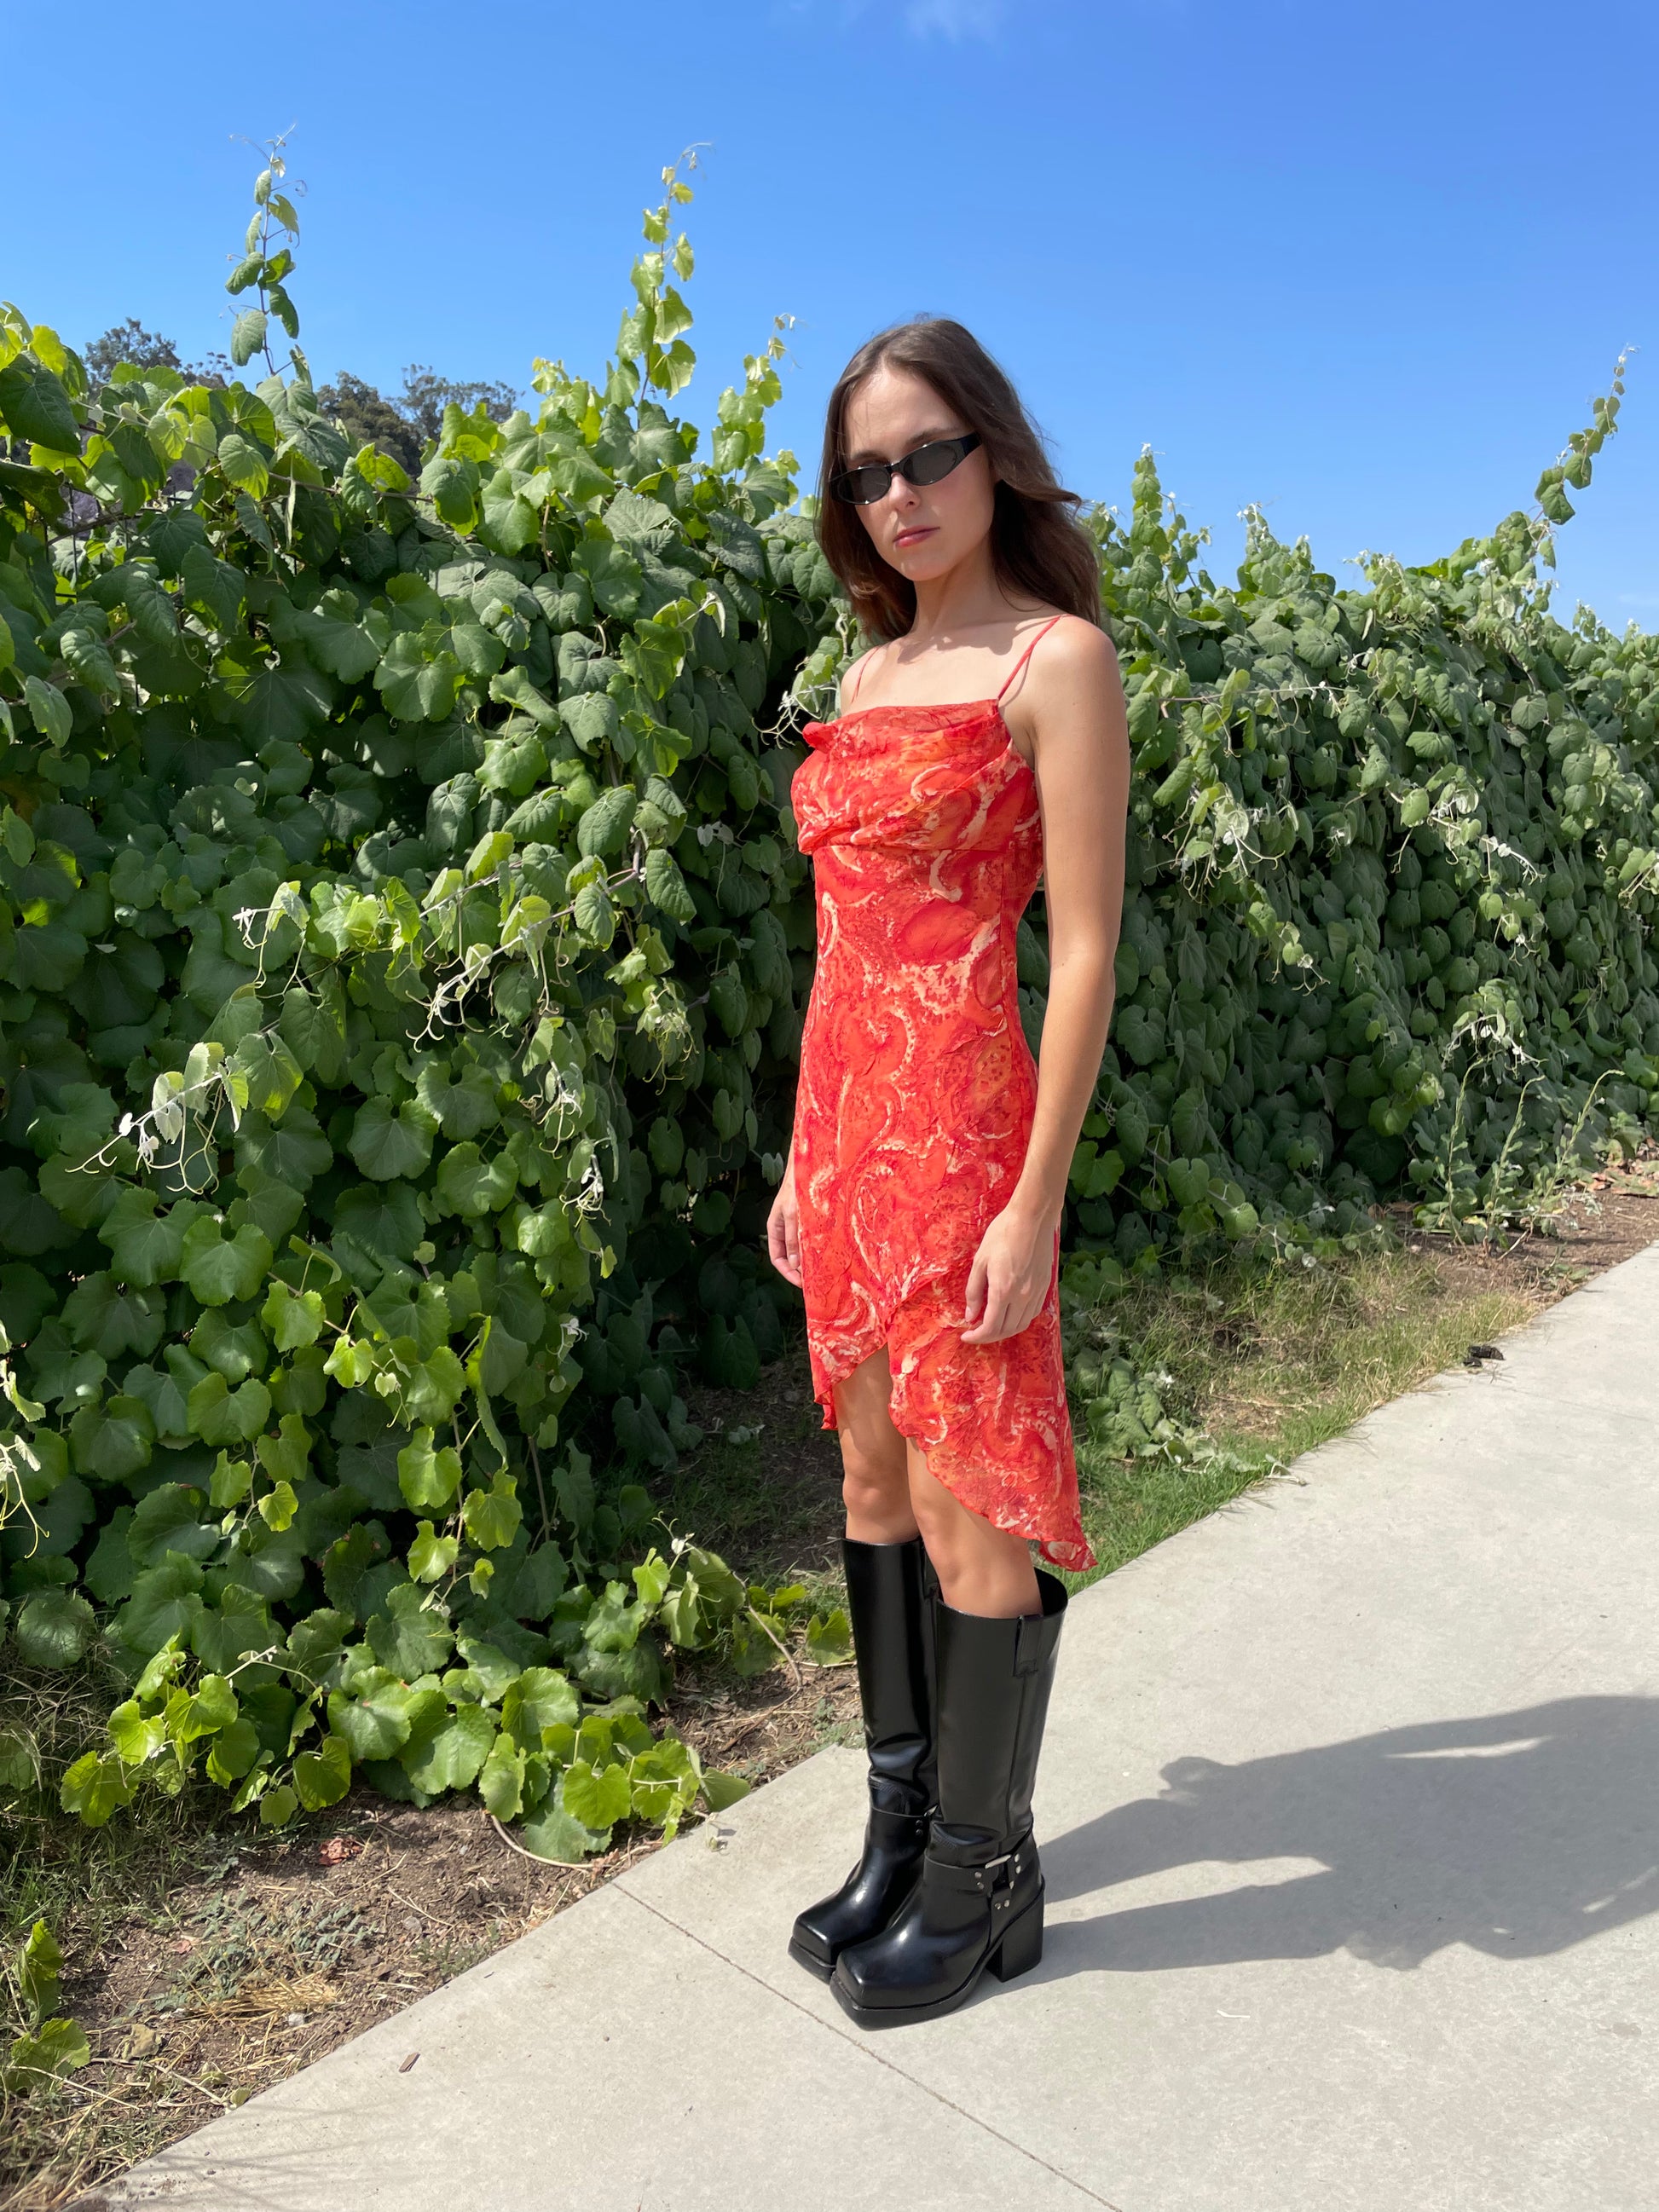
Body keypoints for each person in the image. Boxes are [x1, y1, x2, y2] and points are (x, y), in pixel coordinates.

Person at [766, 315, 1130, 2029]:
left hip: (972, 1129)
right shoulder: (857, 678)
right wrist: (798, 1149)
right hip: (850, 1135)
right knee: (870, 1491)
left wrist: (1034, 1195)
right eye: (865, 470)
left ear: (989, 452)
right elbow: (837, 949)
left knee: (973, 1501)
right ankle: (902, 1826)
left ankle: (987, 1879)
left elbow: (1084, 952)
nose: (897, 492)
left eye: (925, 454)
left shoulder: (1054, 659)